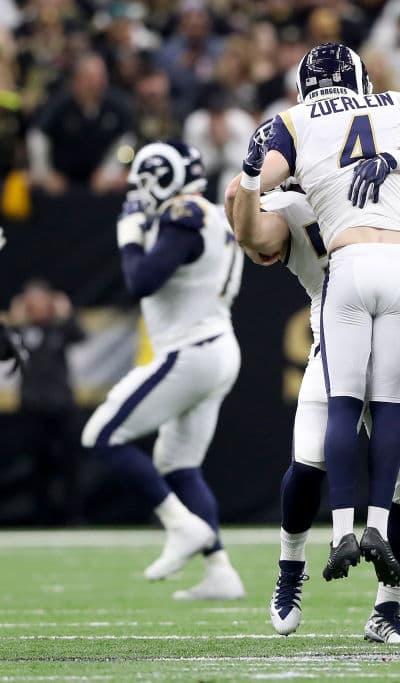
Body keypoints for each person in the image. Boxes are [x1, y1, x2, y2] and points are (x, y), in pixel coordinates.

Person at [225, 119, 400, 643]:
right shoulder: (290, 201)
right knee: (309, 461)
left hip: (399, 342)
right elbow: (249, 234)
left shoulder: (382, 168)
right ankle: (290, 570)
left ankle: (388, 608)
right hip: (331, 342)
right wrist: (247, 178)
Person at [81, 140, 245, 600]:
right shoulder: (209, 213)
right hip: (216, 346)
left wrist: (129, 235)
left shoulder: (183, 215)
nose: (137, 189)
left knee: (101, 436)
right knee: (178, 465)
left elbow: (141, 280)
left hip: (189, 350)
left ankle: (180, 526)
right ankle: (220, 571)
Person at [8, 279, 86, 525]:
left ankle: (73, 516)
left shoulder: (59, 330)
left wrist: (67, 313)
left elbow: (80, 335)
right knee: (36, 465)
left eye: (42, 300)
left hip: (62, 407)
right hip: (32, 407)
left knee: (69, 464)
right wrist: (15, 319)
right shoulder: (20, 332)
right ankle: (40, 516)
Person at [26, 53, 134, 195]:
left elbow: (127, 143)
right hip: (61, 185)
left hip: (100, 185)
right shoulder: (59, 103)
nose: (97, 83)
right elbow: (37, 136)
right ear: (77, 80)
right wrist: (45, 173)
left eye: (101, 77)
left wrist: (111, 170)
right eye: (91, 78)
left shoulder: (118, 105)